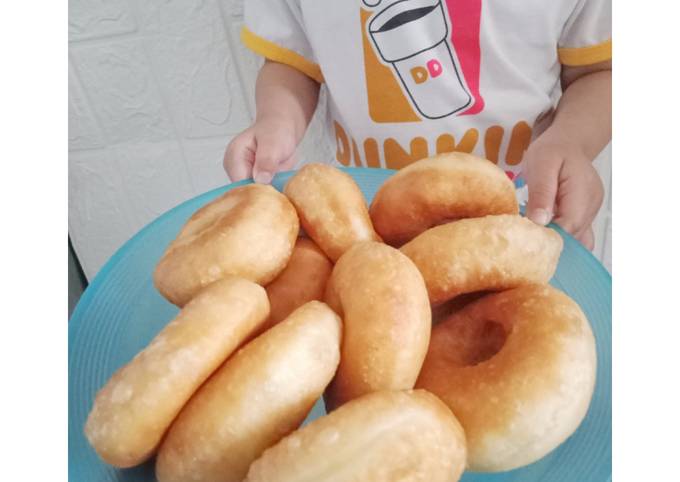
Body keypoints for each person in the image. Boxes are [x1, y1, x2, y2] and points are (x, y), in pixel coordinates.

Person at [223, 0, 611, 250]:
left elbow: (599, 72)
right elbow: (292, 62)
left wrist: (572, 143)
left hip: (523, 213)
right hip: (368, 222)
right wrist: (277, 121)